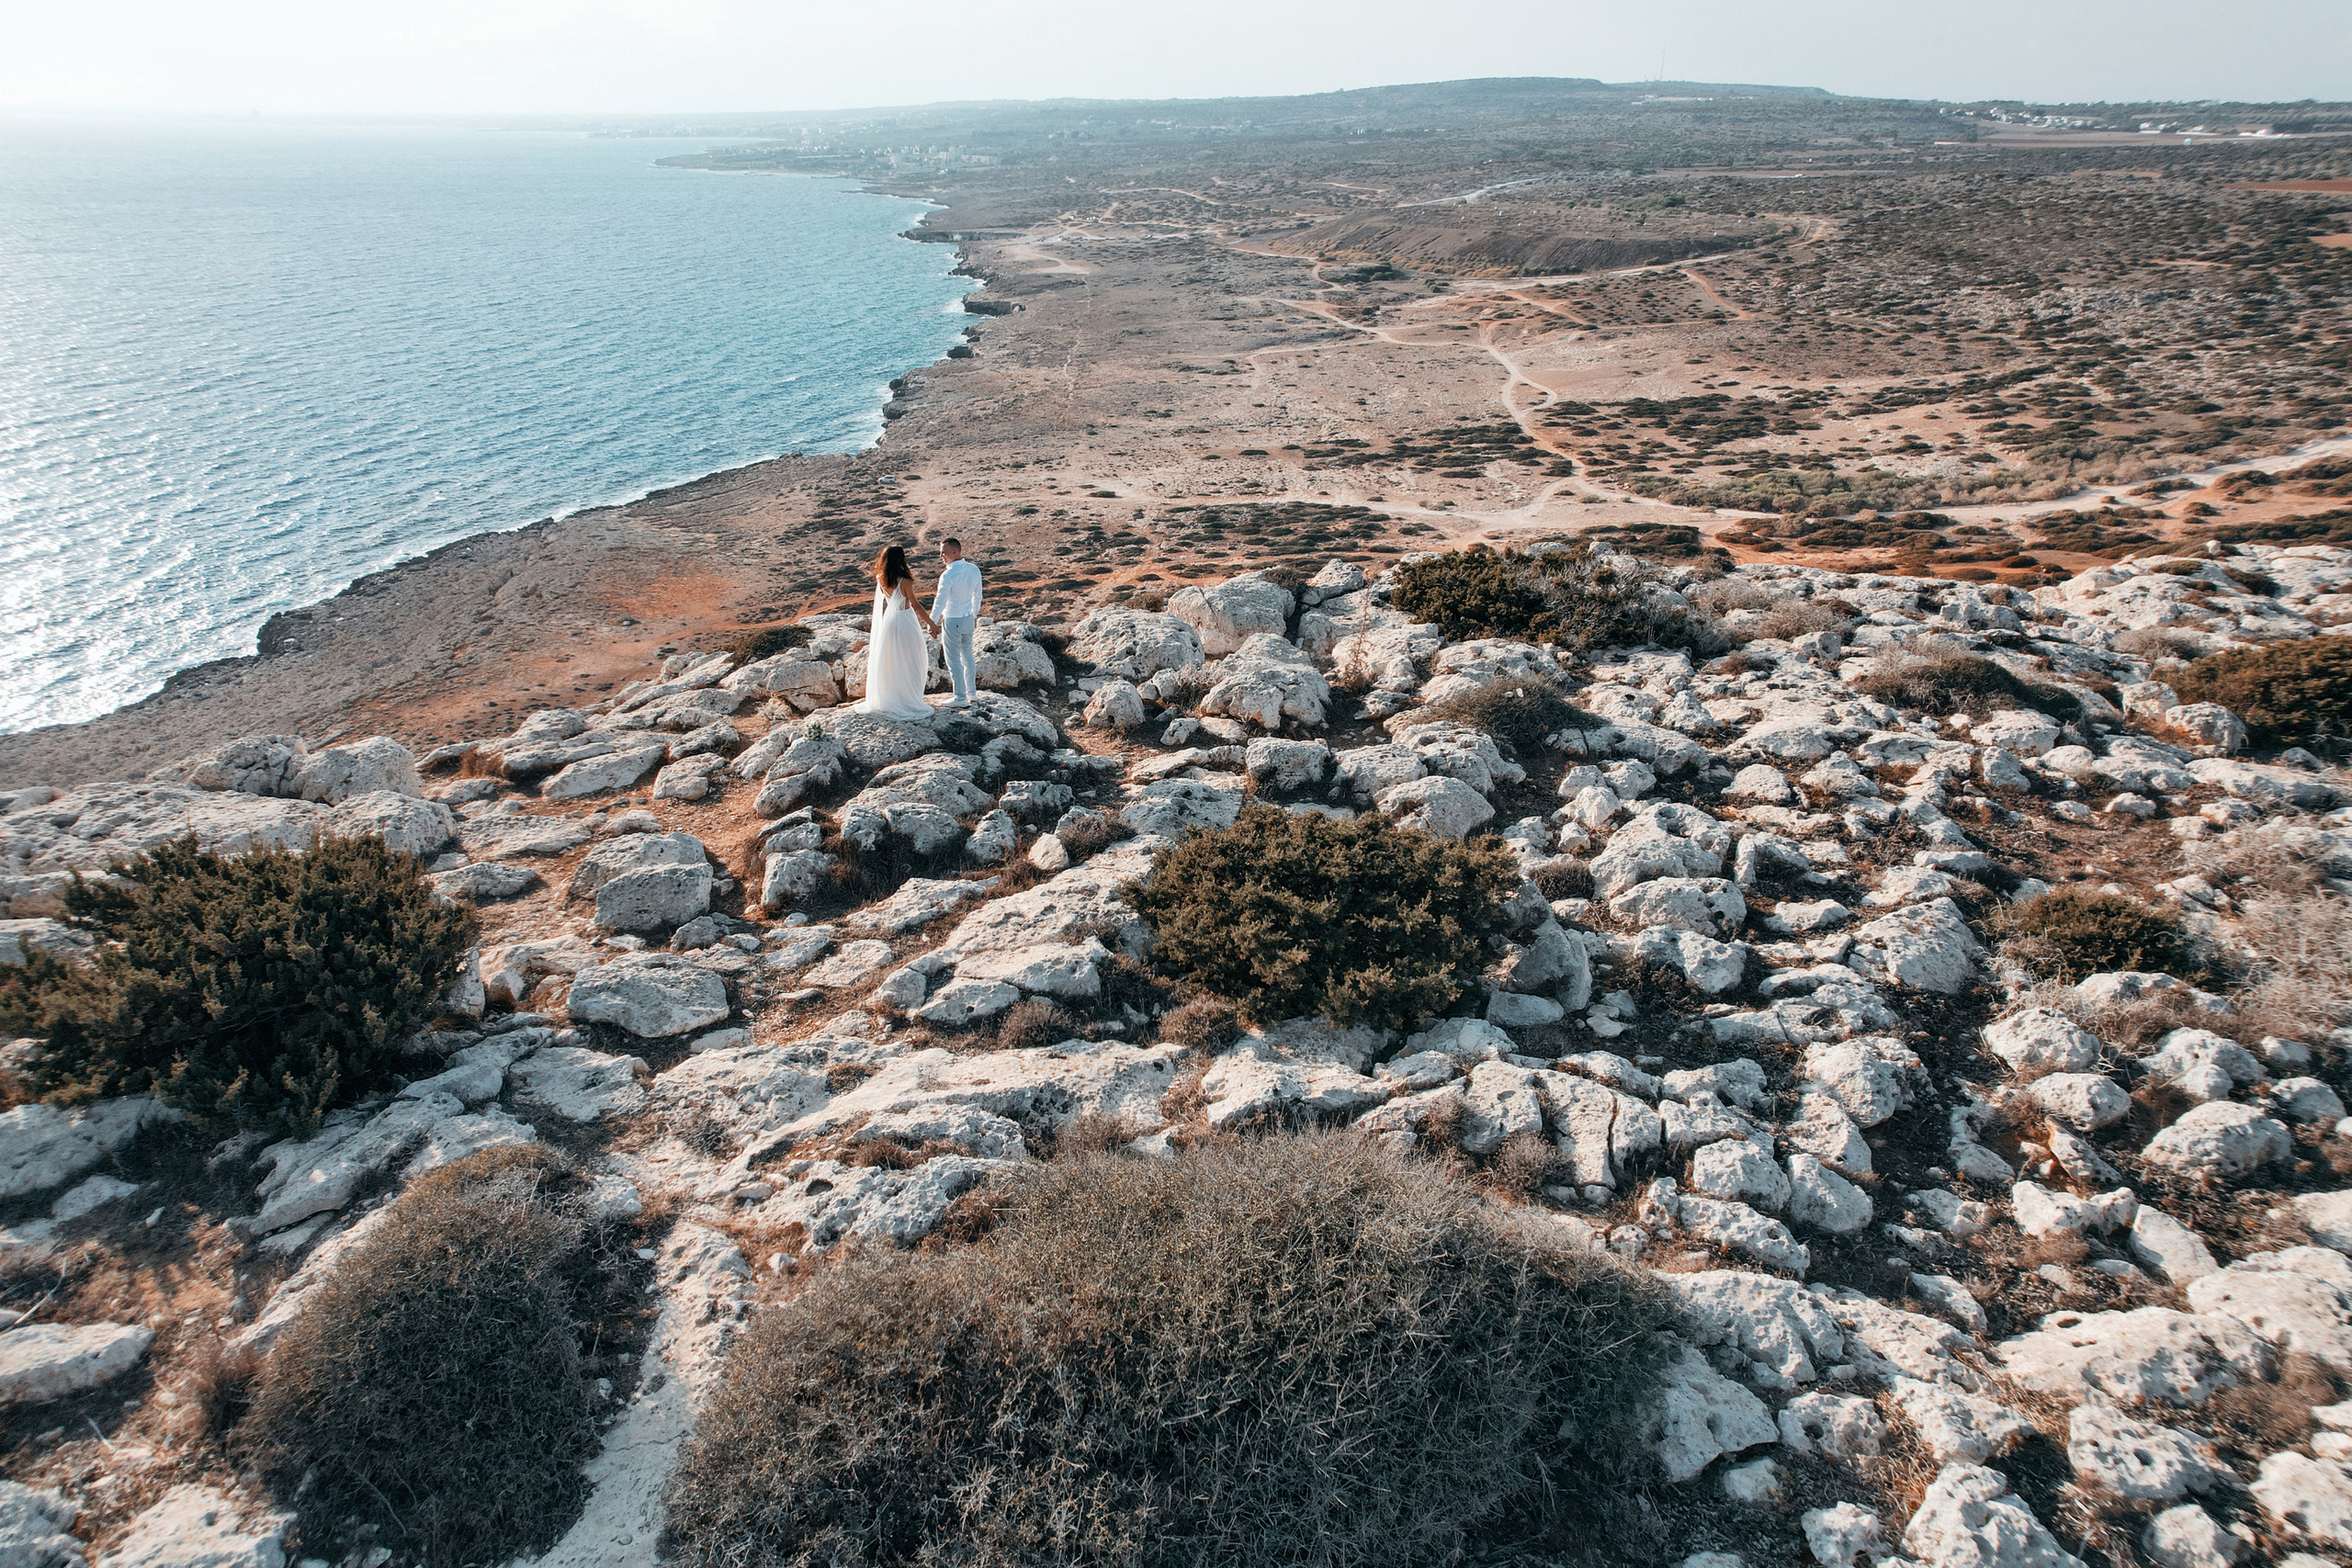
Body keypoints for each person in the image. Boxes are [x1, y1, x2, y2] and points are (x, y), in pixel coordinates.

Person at [856, 545, 934, 719]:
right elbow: (916, 605)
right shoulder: (905, 581)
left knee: (892, 659)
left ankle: (893, 696)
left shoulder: (880, 578)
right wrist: (931, 623)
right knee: (912, 658)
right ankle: (909, 697)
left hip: (889, 622)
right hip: (905, 620)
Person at [921, 536, 983, 709]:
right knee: (968, 656)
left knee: (953, 659)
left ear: (954, 551)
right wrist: (974, 615)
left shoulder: (948, 575)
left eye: (943, 552)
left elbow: (940, 601)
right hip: (968, 619)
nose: (941, 556)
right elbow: (978, 596)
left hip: (953, 619)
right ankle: (972, 694)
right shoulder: (974, 569)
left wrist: (932, 623)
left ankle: (960, 696)